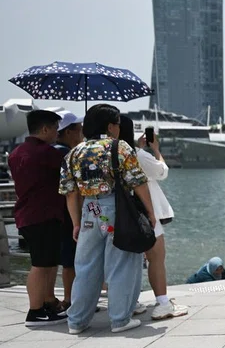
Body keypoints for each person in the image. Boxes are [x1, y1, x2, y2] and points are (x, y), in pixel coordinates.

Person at [59, 104, 155, 334]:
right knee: (122, 263)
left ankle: (77, 321)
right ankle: (120, 319)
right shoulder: (119, 147)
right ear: (111, 126)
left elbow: (70, 193)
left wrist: (75, 223)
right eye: (118, 124)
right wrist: (150, 213)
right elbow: (138, 182)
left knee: (86, 267)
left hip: (89, 211)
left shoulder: (73, 152)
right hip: (115, 210)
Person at [119, 117, 188, 320]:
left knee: (126, 260)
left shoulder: (107, 153)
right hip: (143, 212)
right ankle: (163, 303)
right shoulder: (137, 155)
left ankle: (130, 302)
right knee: (156, 257)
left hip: (118, 212)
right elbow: (161, 171)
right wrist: (155, 150)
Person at [9, 109, 69, 326]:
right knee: (40, 264)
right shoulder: (47, 153)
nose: (57, 134)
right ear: (45, 128)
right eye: (55, 128)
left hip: (26, 214)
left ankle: (47, 303)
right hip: (44, 214)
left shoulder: (17, 153)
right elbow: (70, 168)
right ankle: (35, 311)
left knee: (48, 262)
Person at [52, 111, 85, 313]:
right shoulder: (65, 154)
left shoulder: (57, 151)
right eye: (79, 130)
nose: (82, 134)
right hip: (69, 216)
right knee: (72, 261)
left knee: (70, 260)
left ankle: (71, 298)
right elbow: (72, 191)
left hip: (60, 214)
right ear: (69, 132)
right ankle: (71, 300)